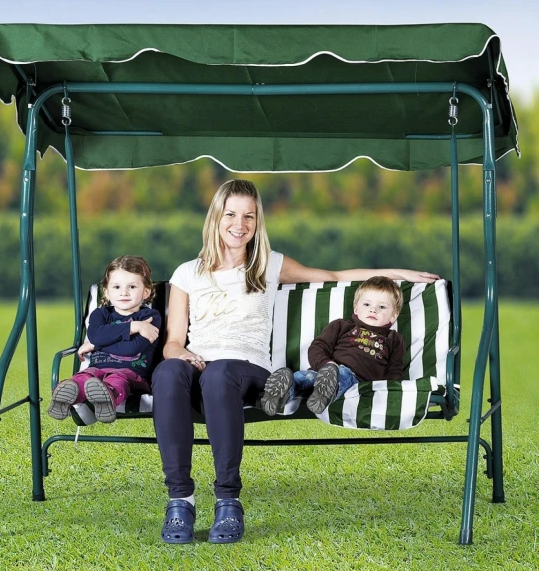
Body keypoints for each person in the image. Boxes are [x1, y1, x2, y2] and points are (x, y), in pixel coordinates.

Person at [152, 179, 438, 545]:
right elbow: (173, 342)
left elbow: (332, 277)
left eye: (249, 216)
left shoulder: (268, 264)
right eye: (231, 214)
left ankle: (228, 501)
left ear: (258, 222)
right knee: (168, 371)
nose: (239, 224)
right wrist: (182, 355)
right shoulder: (187, 273)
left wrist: (400, 275)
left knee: (220, 373)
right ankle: (180, 500)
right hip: (198, 366)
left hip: (245, 369)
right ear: (215, 218)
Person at [261, 276, 405, 417]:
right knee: (304, 377)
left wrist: (386, 394)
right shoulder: (342, 326)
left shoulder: (394, 339)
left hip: (356, 385)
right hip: (323, 372)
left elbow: (394, 371)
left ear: (393, 316)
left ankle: (324, 392)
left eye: (382, 307)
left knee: (341, 375)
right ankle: (281, 393)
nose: (373, 310)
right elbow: (318, 347)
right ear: (356, 308)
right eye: (367, 304)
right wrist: (327, 364)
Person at [48, 255, 161, 423]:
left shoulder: (149, 317)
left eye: (132, 286)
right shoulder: (100, 314)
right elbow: (95, 335)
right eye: (116, 287)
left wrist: (96, 345)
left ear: (146, 291)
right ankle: (65, 397)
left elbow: (131, 349)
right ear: (107, 291)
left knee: (117, 380)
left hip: (130, 374)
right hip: (96, 369)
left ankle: (107, 399)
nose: (124, 292)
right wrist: (132, 327)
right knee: (84, 378)